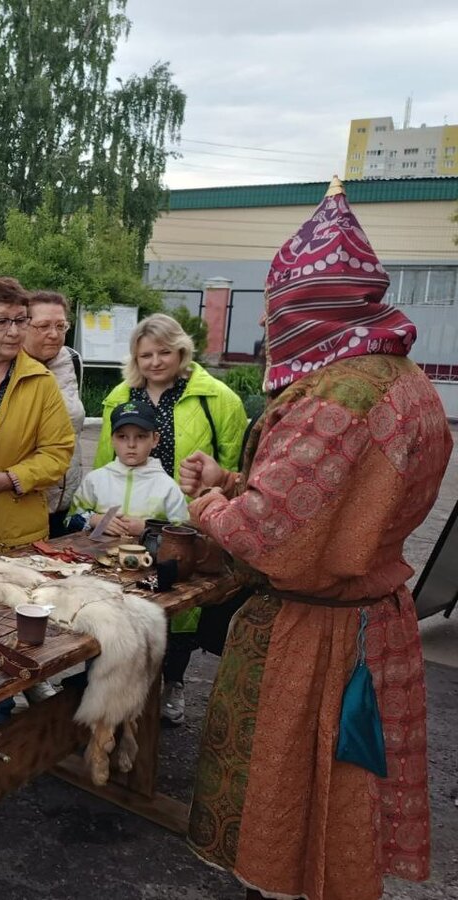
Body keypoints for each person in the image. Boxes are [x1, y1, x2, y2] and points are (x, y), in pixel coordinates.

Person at [181, 180, 449, 900]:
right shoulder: (405, 380)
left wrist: (210, 504)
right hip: (375, 618)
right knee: (343, 803)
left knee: (290, 818)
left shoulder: (335, 394)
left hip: (317, 639)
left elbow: (273, 538)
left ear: (302, 307)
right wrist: (238, 479)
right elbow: (328, 501)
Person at [95, 312, 248, 725]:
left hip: (185, 521)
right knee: (127, 599)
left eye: (165, 352)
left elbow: (233, 464)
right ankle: (127, 686)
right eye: (146, 354)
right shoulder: (120, 396)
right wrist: (102, 515)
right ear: (135, 358)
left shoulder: (217, 399)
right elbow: (102, 462)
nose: (156, 361)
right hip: (130, 518)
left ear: (181, 350)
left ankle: (174, 684)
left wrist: (220, 507)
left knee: (181, 607)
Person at [0, 276, 74, 553]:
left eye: (21, 320)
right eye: (2, 321)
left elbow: (57, 453)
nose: (14, 331)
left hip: (13, 521)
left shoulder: (41, 380)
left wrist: (10, 478)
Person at [67, 401, 188, 534]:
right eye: (122, 437)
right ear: (112, 439)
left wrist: (147, 528)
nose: (131, 444)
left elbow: (184, 533)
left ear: (155, 439)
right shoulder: (95, 480)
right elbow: (69, 521)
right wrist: (94, 520)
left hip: (149, 554)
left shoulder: (168, 487)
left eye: (141, 436)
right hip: (94, 554)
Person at [22, 290, 85, 535]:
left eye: (61, 326)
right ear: (24, 326)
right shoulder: (5, 365)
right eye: (43, 326)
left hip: (65, 503)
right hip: (24, 501)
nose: (54, 334)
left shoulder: (72, 360)